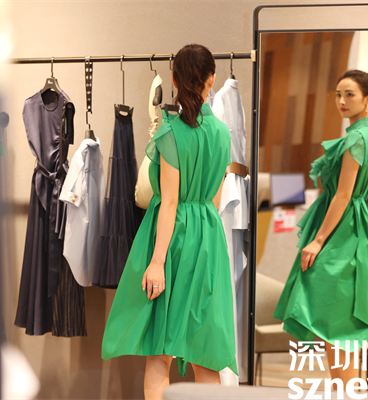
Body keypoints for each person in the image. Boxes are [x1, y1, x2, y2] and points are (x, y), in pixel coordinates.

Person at [101, 44, 238, 400]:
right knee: (204, 353)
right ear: (211, 80)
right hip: (208, 238)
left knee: (160, 351)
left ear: (174, 80)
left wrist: (158, 261)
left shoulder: (171, 132)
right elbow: (215, 198)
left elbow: (171, 201)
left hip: (173, 239)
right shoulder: (222, 132)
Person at [274, 70, 368, 389]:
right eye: (338, 94)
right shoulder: (365, 134)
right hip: (351, 227)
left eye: (350, 94)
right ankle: (345, 390)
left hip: (343, 231)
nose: (342, 101)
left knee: (336, 323)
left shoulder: (358, 138)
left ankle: (346, 391)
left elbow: (343, 194)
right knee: (337, 321)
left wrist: (318, 240)